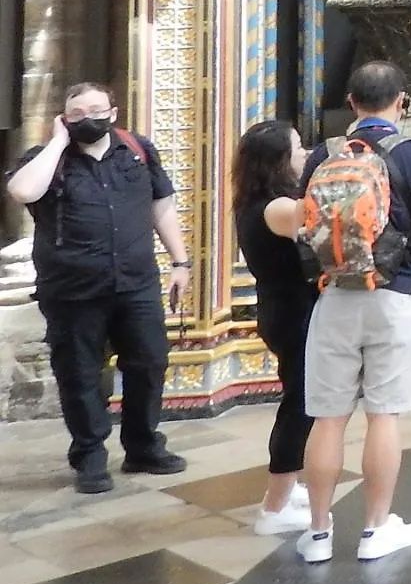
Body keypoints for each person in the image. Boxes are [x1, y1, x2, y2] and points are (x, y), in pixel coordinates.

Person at [264, 62, 411, 563]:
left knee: (328, 418)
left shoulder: (324, 155)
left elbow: (305, 219)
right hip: (395, 293)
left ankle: (319, 534)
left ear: (350, 103)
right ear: (402, 102)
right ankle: (375, 530)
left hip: (334, 295)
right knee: (383, 416)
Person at [6, 83, 189, 493]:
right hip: (72, 290)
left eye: (95, 109)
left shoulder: (137, 150)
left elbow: (162, 206)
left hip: (136, 283)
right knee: (80, 373)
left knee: (148, 362)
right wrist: (57, 142)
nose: (87, 117)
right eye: (76, 113)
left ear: (113, 111)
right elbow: (22, 191)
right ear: (64, 118)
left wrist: (180, 261)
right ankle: (89, 455)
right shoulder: (46, 159)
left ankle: (143, 446)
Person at [232, 120, 320, 535]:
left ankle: (290, 484)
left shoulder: (258, 201)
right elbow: (329, 219)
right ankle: (275, 506)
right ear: (279, 161)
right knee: (300, 407)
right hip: (294, 314)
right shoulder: (279, 208)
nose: (305, 154)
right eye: (299, 149)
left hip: (284, 309)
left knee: (302, 400)